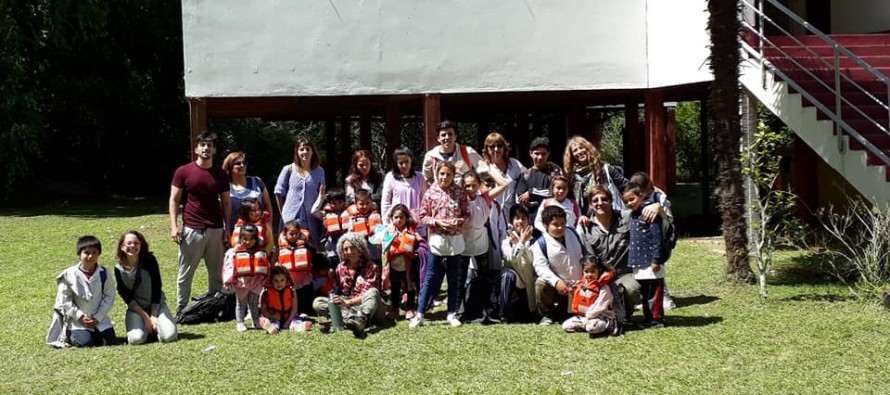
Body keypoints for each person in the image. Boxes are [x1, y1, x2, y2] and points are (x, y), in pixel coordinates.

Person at [169, 131, 231, 314]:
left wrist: (228, 228)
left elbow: (226, 203)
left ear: (214, 150)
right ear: (196, 149)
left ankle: (214, 306)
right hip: (192, 228)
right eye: (202, 145)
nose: (206, 148)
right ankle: (181, 308)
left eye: (209, 145)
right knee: (185, 272)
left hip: (216, 229)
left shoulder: (220, 174)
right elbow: (174, 200)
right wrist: (174, 226)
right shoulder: (183, 171)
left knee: (217, 273)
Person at [410, 162, 469, 329]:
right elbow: (423, 216)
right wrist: (437, 222)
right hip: (437, 240)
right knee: (430, 276)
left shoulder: (459, 192)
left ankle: (452, 313)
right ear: (437, 174)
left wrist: (459, 221)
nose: (445, 177)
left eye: (448, 174)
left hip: (455, 240)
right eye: (442, 173)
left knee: (453, 278)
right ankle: (420, 313)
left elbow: (466, 213)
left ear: (453, 176)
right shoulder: (430, 193)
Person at [577, 186, 640, 322]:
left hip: (624, 273)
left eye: (604, 199)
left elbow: (642, 210)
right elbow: (590, 259)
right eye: (595, 200)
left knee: (632, 289)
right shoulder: (586, 226)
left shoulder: (626, 217)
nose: (600, 203)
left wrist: (656, 207)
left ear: (611, 201)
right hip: (600, 276)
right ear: (590, 205)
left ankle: (625, 310)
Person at [312, 233, 387, 338]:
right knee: (318, 302)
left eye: (352, 248)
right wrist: (337, 299)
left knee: (373, 292)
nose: (349, 252)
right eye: (345, 249)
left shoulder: (371, 267)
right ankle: (352, 319)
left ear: (360, 249)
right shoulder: (340, 268)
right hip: (350, 306)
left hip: (371, 307)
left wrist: (348, 302)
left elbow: (367, 295)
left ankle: (360, 320)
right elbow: (340, 291)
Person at [48, 236, 116, 347]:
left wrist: (97, 317)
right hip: (77, 320)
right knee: (84, 342)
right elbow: (65, 299)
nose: (90, 256)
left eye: (94, 253)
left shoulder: (104, 273)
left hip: (99, 318)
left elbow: (110, 295)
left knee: (109, 342)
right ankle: (70, 335)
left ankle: (96, 333)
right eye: (86, 253)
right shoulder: (69, 274)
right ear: (79, 254)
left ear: (99, 254)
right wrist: (80, 317)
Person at [460, 169, 509, 324]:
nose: (470, 189)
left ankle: (486, 311)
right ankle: (461, 312)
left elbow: (503, 184)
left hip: (481, 243)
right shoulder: (459, 199)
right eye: (467, 186)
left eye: (473, 185)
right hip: (462, 243)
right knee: (461, 278)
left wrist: (488, 169)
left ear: (479, 185)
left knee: (484, 277)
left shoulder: (485, 198)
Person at [114, 231, 178, 345]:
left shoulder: (149, 261)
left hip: (157, 305)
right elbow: (125, 295)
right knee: (136, 339)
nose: (132, 246)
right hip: (137, 308)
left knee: (169, 336)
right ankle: (147, 328)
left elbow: (157, 287)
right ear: (122, 247)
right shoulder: (119, 269)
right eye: (129, 243)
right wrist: (145, 317)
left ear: (141, 245)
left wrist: (153, 315)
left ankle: (156, 329)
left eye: (136, 243)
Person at [532, 206, 589, 325]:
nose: (560, 227)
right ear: (546, 225)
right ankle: (547, 314)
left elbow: (586, 254)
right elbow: (541, 267)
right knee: (541, 283)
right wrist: (557, 282)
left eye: (562, 223)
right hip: (558, 288)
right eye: (555, 224)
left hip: (579, 285)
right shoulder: (540, 244)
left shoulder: (574, 233)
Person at [622, 186, 667, 329]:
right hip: (638, 261)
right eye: (626, 201)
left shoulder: (650, 213)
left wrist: (656, 259)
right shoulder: (632, 215)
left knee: (655, 291)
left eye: (632, 199)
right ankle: (648, 318)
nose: (629, 203)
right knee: (645, 292)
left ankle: (656, 319)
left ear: (641, 196)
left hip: (651, 261)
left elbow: (657, 238)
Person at [275, 138, 326, 243]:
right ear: (297, 152)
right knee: (288, 246)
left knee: (311, 246)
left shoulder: (319, 171)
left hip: (311, 219)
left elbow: (321, 194)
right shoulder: (288, 169)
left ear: (312, 151)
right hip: (290, 218)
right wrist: (283, 213)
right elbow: (279, 193)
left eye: (308, 149)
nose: (305, 152)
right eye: (301, 149)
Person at [564, 136, 627, 219]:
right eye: (575, 150)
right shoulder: (573, 178)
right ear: (572, 155)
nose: (579, 152)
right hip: (588, 221)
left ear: (588, 148)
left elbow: (626, 187)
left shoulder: (605, 169)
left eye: (581, 148)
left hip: (612, 218)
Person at [223, 225, 269, 332]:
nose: (248, 242)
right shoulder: (234, 251)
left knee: (254, 303)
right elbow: (229, 266)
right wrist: (228, 280)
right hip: (241, 282)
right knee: (241, 303)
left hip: (255, 281)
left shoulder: (260, 251)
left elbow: (266, 266)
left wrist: (266, 278)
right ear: (240, 238)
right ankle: (240, 322)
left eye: (251, 239)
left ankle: (256, 321)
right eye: (245, 239)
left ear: (256, 239)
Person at [378, 204, 420, 320]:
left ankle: (410, 308)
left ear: (406, 218)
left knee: (410, 286)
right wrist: (380, 244)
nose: (399, 220)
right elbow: (382, 246)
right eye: (396, 217)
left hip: (408, 266)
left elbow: (418, 245)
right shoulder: (388, 232)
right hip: (394, 266)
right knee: (395, 287)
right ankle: (395, 308)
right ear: (391, 218)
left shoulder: (411, 232)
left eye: (401, 217)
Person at [499, 205, 537, 322]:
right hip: (515, 285)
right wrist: (521, 243)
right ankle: (503, 314)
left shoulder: (535, 241)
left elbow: (531, 261)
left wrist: (521, 242)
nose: (520, 221)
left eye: (523, 218)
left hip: (530, 284)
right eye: (517, 218)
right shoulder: (506, 241)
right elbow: (512, 259)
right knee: (507, 275)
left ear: (528, 220)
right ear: (511, 221)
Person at [561, 260, 617, 336]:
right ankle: (587, 326)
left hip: (600, 316)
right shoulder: (583, 284)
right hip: (583, 317)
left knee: (592, 327)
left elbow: (600, 306)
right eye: (586, 271)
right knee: (566, 326)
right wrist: (573, 291)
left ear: (599, 271)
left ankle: (609, 324)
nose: (589, 274)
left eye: (592, 272)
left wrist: (589, 316)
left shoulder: (604, 287)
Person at [223, 151, 274, 232]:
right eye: (238, 163)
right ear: (230, 167)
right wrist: (227, 229)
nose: (242, 165)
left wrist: (269, 225)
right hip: (235, 232)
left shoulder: (257, 181)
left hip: (259, 231)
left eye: (244, 163)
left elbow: (267, 205)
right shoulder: (225, 187)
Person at [478, 132, 526, 217]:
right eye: (492, 146)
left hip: (513, 215)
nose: (496, 149)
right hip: (491, 215)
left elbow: (528, 178)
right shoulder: (483, 169)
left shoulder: (515, 164)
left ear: (504, 147)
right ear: (487, 149)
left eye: (499, 146)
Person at [421, 120, 482, 186]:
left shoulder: (467, 152)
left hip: (463, 192)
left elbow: (483, 171)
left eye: (450, 134)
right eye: (443, 135)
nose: (447, 137)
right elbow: (426, 180)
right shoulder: (431, 156)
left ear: (455, 136)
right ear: (438, 138)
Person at [515, 137, 563, 220]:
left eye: (543, 154)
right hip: (531, 220)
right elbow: (521, 198)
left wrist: (531, 193)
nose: (540, 157)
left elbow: (556, 192)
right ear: (531, 153)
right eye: (537, 154)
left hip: (551, 219)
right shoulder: (525, 175)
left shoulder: (555, 172)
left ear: (548, 153)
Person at [275, 220, 315, 315]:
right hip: (290, 277)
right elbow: (277, 258)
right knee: (291, 296)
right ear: (285, 234)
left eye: (296, 233)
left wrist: (306, 244)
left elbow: (314, 251)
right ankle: (293, 312)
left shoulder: (305, 243)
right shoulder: (281, 247)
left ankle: (306, 311)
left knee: (305, 295)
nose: (294, 236)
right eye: (291, 234)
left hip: (304, 277)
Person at [380, 147, 426, 228]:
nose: (404, 165)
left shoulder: (420, 177)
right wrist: (386, 222)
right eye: (401, 163)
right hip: (397, 223)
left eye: (407, 162)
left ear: (411, 160)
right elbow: (386, 202)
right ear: (396, 163)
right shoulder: (390, 177)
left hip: (416, 223)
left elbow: (424, 201)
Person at [311, 186, 349, 268]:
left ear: (344, 201)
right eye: (334, 203)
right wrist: (321, 197)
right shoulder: (326, 214)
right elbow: (314, 211)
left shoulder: (349, 212)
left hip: (347, 250)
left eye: (340, 202)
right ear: (329, 203)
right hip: (332, 251)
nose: (337, 205)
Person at [258, 266, 301, 334]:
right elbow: (263, 310)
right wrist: (271, 316)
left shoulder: (291, 290)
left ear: (286, 280)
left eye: (282, 280)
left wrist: (287, 322)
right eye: (276, 280)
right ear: (271, 281)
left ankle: (298, 327)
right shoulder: (266, 292)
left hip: (289, 317)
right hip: (274, 317)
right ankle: (271, 328)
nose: (279, 283)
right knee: (269, 322)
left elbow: (294, 309)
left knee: (296, 320)